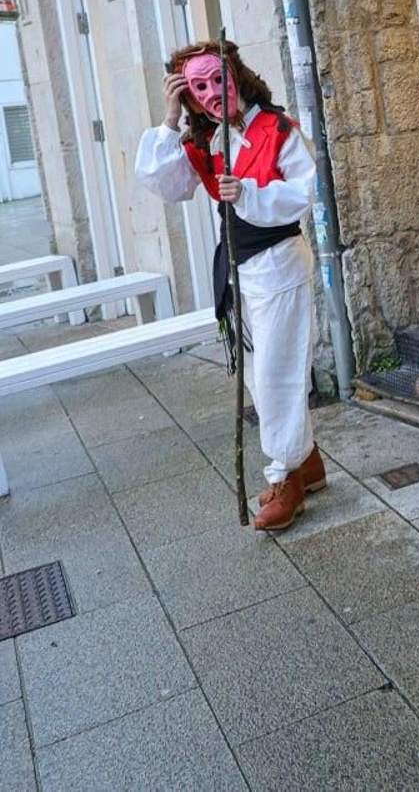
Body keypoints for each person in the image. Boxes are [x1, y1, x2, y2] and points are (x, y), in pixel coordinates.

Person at [134, 40, 324, 532]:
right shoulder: (207, 140)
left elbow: (305, 192)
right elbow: (165, 184)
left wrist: (252, 193)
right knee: (262, 369)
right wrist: (169, 117)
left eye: (219, 79)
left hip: (280, 264)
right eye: (199, 87)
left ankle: (285, 475)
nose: (214, 93)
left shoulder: (277, 129)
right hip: (239, 269)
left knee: (276, 377)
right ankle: (307, 463)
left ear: (237, 75)